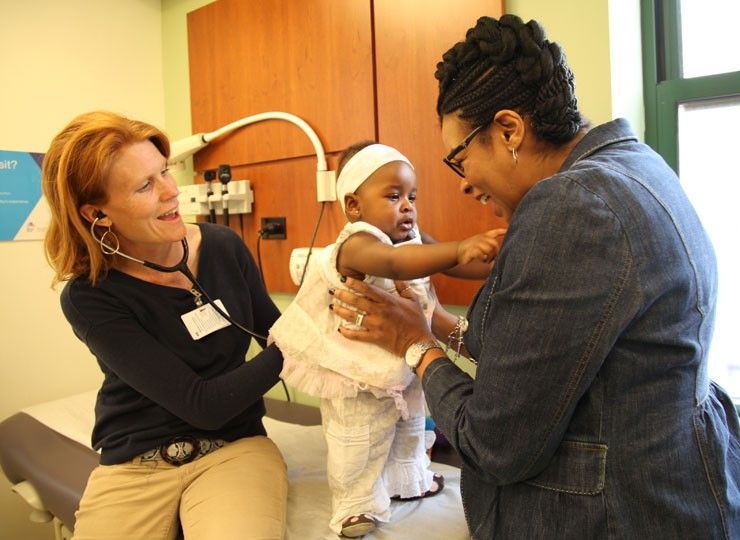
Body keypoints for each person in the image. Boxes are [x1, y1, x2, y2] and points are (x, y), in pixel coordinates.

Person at [328, 14, 740, 540]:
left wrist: (416, 344)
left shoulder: (571, 208)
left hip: (620, 514)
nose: (464, 184)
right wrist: (440, 323)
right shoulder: (636, 165)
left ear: (508, 130)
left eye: (459, 159)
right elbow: (555, 358)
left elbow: (494, 443)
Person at [42, 111, 288, 540]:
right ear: (96, 213)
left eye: (165, 172)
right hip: (135, 465)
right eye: (145, 186)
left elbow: (276, 329)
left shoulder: (224, 247)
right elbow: (202, 405)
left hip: (234, 449)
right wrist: (301, 344)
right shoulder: (90, 296)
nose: (172, 192)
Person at [269, 141, 504, 537]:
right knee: (359, 439)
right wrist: (462, 247)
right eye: (394, 197)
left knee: (409, 426)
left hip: (404, 362)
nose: (408, 206)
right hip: (357, 371)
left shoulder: (411, 237)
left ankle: (407, 481)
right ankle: (355, 505)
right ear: (354, 206)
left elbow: (451, 266)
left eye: (412, 196)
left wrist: (495, 258)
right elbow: (396, 263)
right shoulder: (356, 244)